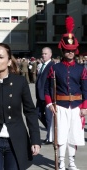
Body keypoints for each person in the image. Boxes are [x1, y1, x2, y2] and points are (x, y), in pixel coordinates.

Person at [45, 16, 87, 170]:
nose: (70, 53)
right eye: (67, 51)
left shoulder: (81, 69)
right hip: (60, 106)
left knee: (73, 136)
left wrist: (84, 106)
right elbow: (47, 88)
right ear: (62, 50)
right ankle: (61, 161)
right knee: (61, 136)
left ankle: (72, 162)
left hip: (76, 106)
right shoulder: (54, 68)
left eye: (72, 51)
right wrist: (50, 103)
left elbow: (85, 89)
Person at [36, 47, 55, 145]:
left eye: (45, 54)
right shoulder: (42, 65)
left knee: (48, 117)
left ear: (50, 55)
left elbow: (51, 83)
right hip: (40, 96)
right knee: (38, 114)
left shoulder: (52, 66)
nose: (43, 55)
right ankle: (51, 132)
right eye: (42, 54)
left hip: (47, 96)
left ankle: (50, 138)